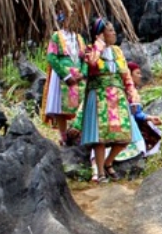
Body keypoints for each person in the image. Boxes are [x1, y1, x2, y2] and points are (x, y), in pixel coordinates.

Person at [76, 17, 141, 182]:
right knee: (100, 138)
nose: (114, 34)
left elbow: (126, 75)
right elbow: (91, 65)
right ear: (101, 34)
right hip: (99, 96)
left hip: (117, 96)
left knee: (125, 137)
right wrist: (99, 45)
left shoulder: (117, 52)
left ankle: (108, 162)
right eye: (110, 31)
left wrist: (133, 96)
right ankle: (101, 173)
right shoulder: (91, 50)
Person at [41, 11, 86, 146]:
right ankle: (63, 135)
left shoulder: (79, 38)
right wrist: (65, 75)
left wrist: (83, 73)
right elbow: (52, 57)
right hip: (63, 77)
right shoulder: (57, 36)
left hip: (78, 76)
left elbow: (85, 58)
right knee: (62, 108)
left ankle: (78, 133)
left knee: (80, 104)